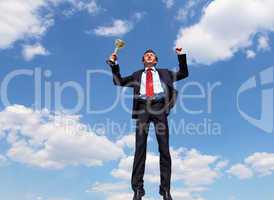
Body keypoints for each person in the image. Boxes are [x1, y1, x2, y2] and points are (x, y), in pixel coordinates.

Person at [107, 47, 189, 200]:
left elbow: (184, 73)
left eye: (151, 55)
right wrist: (114, 64)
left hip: (159, 107)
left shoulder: (165, 73)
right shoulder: (137, 75)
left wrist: (181, 56)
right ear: (143, 60)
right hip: (142, 108)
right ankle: (138, 189)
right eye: (146, 55)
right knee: (140, 148)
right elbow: (119, 81)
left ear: (156, 60)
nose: (149, 56)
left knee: (164, 149)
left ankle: (165, 190)